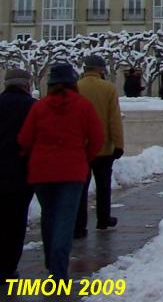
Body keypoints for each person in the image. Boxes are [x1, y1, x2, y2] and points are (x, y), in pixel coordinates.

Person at [18, 63, 103, 281]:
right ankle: (58, 269)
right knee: (65, 219)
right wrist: (85, 157)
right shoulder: (83, 106)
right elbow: (96, 138)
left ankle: (51, 262)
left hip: (41, 171)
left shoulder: (39, 107)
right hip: (72, 172)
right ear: (73, 83)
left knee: (49, 216)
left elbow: (24, 139)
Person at [75, 55, 125, 237]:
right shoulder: (108, 88)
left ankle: (79, 224)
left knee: (81, 187)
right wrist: (118, 144)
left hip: (81, 148)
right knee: (103, 185)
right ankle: (103, 219)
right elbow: (114, 119)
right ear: (100, 69)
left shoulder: (76, 88)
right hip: (103, 147)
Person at [0, 68, 36, 281]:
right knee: (16, 221)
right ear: (26, 84)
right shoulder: (33, 107)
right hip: (22, 172)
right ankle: (8, 265)